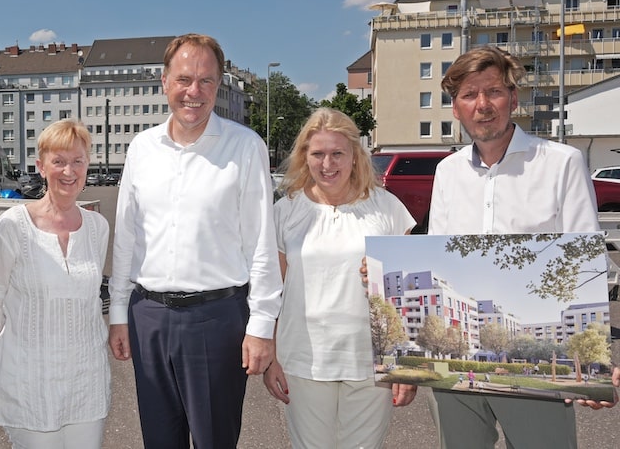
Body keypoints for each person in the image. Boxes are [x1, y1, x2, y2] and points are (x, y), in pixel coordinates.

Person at [428, 45, 616, 449]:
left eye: (493, 91)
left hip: (536, 358)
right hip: (460, 361)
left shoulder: (561, 163)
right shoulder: (447, 172)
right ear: (456, 109)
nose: (483, 105)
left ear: (513, 99)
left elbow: (586, 263)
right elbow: (436, 257)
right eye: (468, 95)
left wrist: (594, 362)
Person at [107, 33, 282, 448]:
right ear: (164, 81)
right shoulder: (142, 148)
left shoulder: (244, 147)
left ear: (218, 85)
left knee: (213, 441)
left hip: (216, 319)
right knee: (159, 440)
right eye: (184, 79)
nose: (194, 91)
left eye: (206, 80)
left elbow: (261, 241)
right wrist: (117, 312)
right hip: (148, 316)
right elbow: (127, 235)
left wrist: (261, 325)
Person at [263, 107, 417, 449]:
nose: (327, 164)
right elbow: (273, 290)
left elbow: (407, 295)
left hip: (369, 361)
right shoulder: (285, 212)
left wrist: (406, 364)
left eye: (337, 154)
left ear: (355, 155)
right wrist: (271, 354)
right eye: (317, 154)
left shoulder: (387, 209)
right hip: (303, 359)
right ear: (305, 156)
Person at [0, 119, 111, 448]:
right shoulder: (12, 226)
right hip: (30, 381)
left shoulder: (97, 227)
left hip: (86, 380)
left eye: (78, 161)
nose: (69, 171)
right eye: (59, 161)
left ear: (87, 165)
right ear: (41, 166)